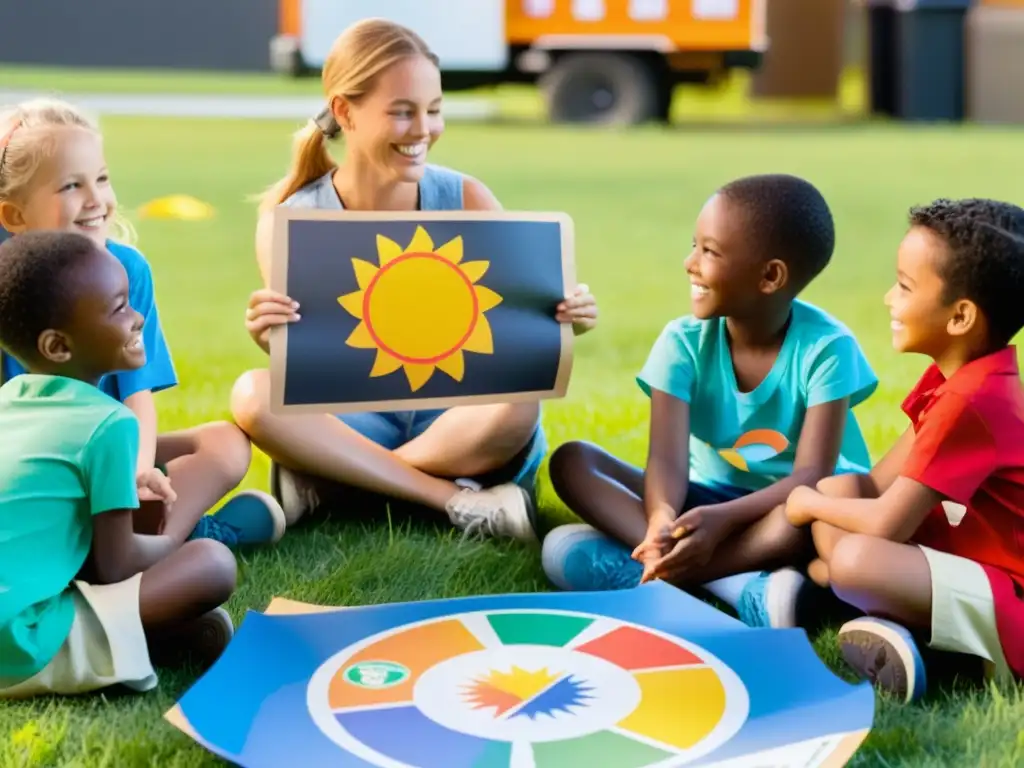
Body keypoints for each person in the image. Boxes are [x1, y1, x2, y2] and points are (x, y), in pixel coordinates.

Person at [231, 18, 599, 542]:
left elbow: (513, 333)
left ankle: (338, 485)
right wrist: (272, 340)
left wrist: (562, 320)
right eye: (402, 112)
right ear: (344, 112)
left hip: (455, 420)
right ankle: (452, 498)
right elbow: (318, 363)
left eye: (433, 110)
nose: (423, 129)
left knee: (521, 399)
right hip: (358, 419)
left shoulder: (468, 199)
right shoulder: (294, 220)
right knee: (252, 394)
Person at [541, 174, 878, 627]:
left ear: (770, 276)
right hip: (702, 501)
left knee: (800, 522)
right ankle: (734, 586)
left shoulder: (826, 348)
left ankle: (657, 575)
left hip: (784, 507)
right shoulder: (682, 342)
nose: (689, 263)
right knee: (573, 462)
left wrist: (722, 519)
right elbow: (666, 461)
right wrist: (661, 519)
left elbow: (811, 476)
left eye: (710, 251)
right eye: (694, 245)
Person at [0, 98, 286, 548]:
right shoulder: (9, 285)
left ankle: (153, 533)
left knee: (225, 443)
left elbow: (137, 395)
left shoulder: (127, 269)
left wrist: (137, 474)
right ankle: (187, 537)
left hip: (113, 451)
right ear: (14, 215)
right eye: (71, 185)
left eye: (102, 178)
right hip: (34, 468)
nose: (96, 200)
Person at [784, 198, 1024, 704]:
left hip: (1008, 592)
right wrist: (829, 499)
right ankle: (891, 621)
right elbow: (875, 485)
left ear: (960, 316)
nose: (889, 298)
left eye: (905, 287)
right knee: (842, 487)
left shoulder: (970, 401)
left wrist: (806, 505)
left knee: (851, 556)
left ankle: (945, 656)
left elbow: (884, 525)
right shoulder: (955, 378)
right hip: (959, 555)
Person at [0, 231, 238, 699]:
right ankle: (156, 637)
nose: (138, 317)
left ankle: (156, 634)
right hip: (20, 647)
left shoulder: (9, 402)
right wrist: (172, 540)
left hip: (20, 612)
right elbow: (116, 564)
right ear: (57, 346)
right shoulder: (109, 423)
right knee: (212, 563)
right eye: (119, 308)